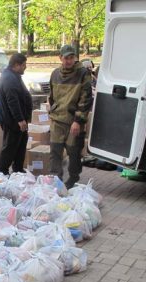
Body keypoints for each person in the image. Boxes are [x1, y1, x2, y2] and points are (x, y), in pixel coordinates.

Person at [48, 45, 93, 189]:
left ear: (75, 58)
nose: (68, 61)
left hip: (73, 121)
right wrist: (53, 109)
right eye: (66, 58)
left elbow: (85, 99)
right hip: (57, 120)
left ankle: (73, 178)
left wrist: (78, 121)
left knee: (74, 152)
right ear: (60, 58)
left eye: (71, 57)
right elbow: (52, 96)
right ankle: (56, 179)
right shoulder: (55, 74)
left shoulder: (83, 73)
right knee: (55, 151)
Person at [0, 53, 33, 175]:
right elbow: (12, 100)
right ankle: (2, 171)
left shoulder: (14, 76)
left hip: (19, 119)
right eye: (24, 65)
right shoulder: (9, 78)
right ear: (16, 65)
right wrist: (20, 119)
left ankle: (17, 168)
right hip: (12, 120)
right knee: (10, 145)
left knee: (21, 143)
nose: (25, 67)